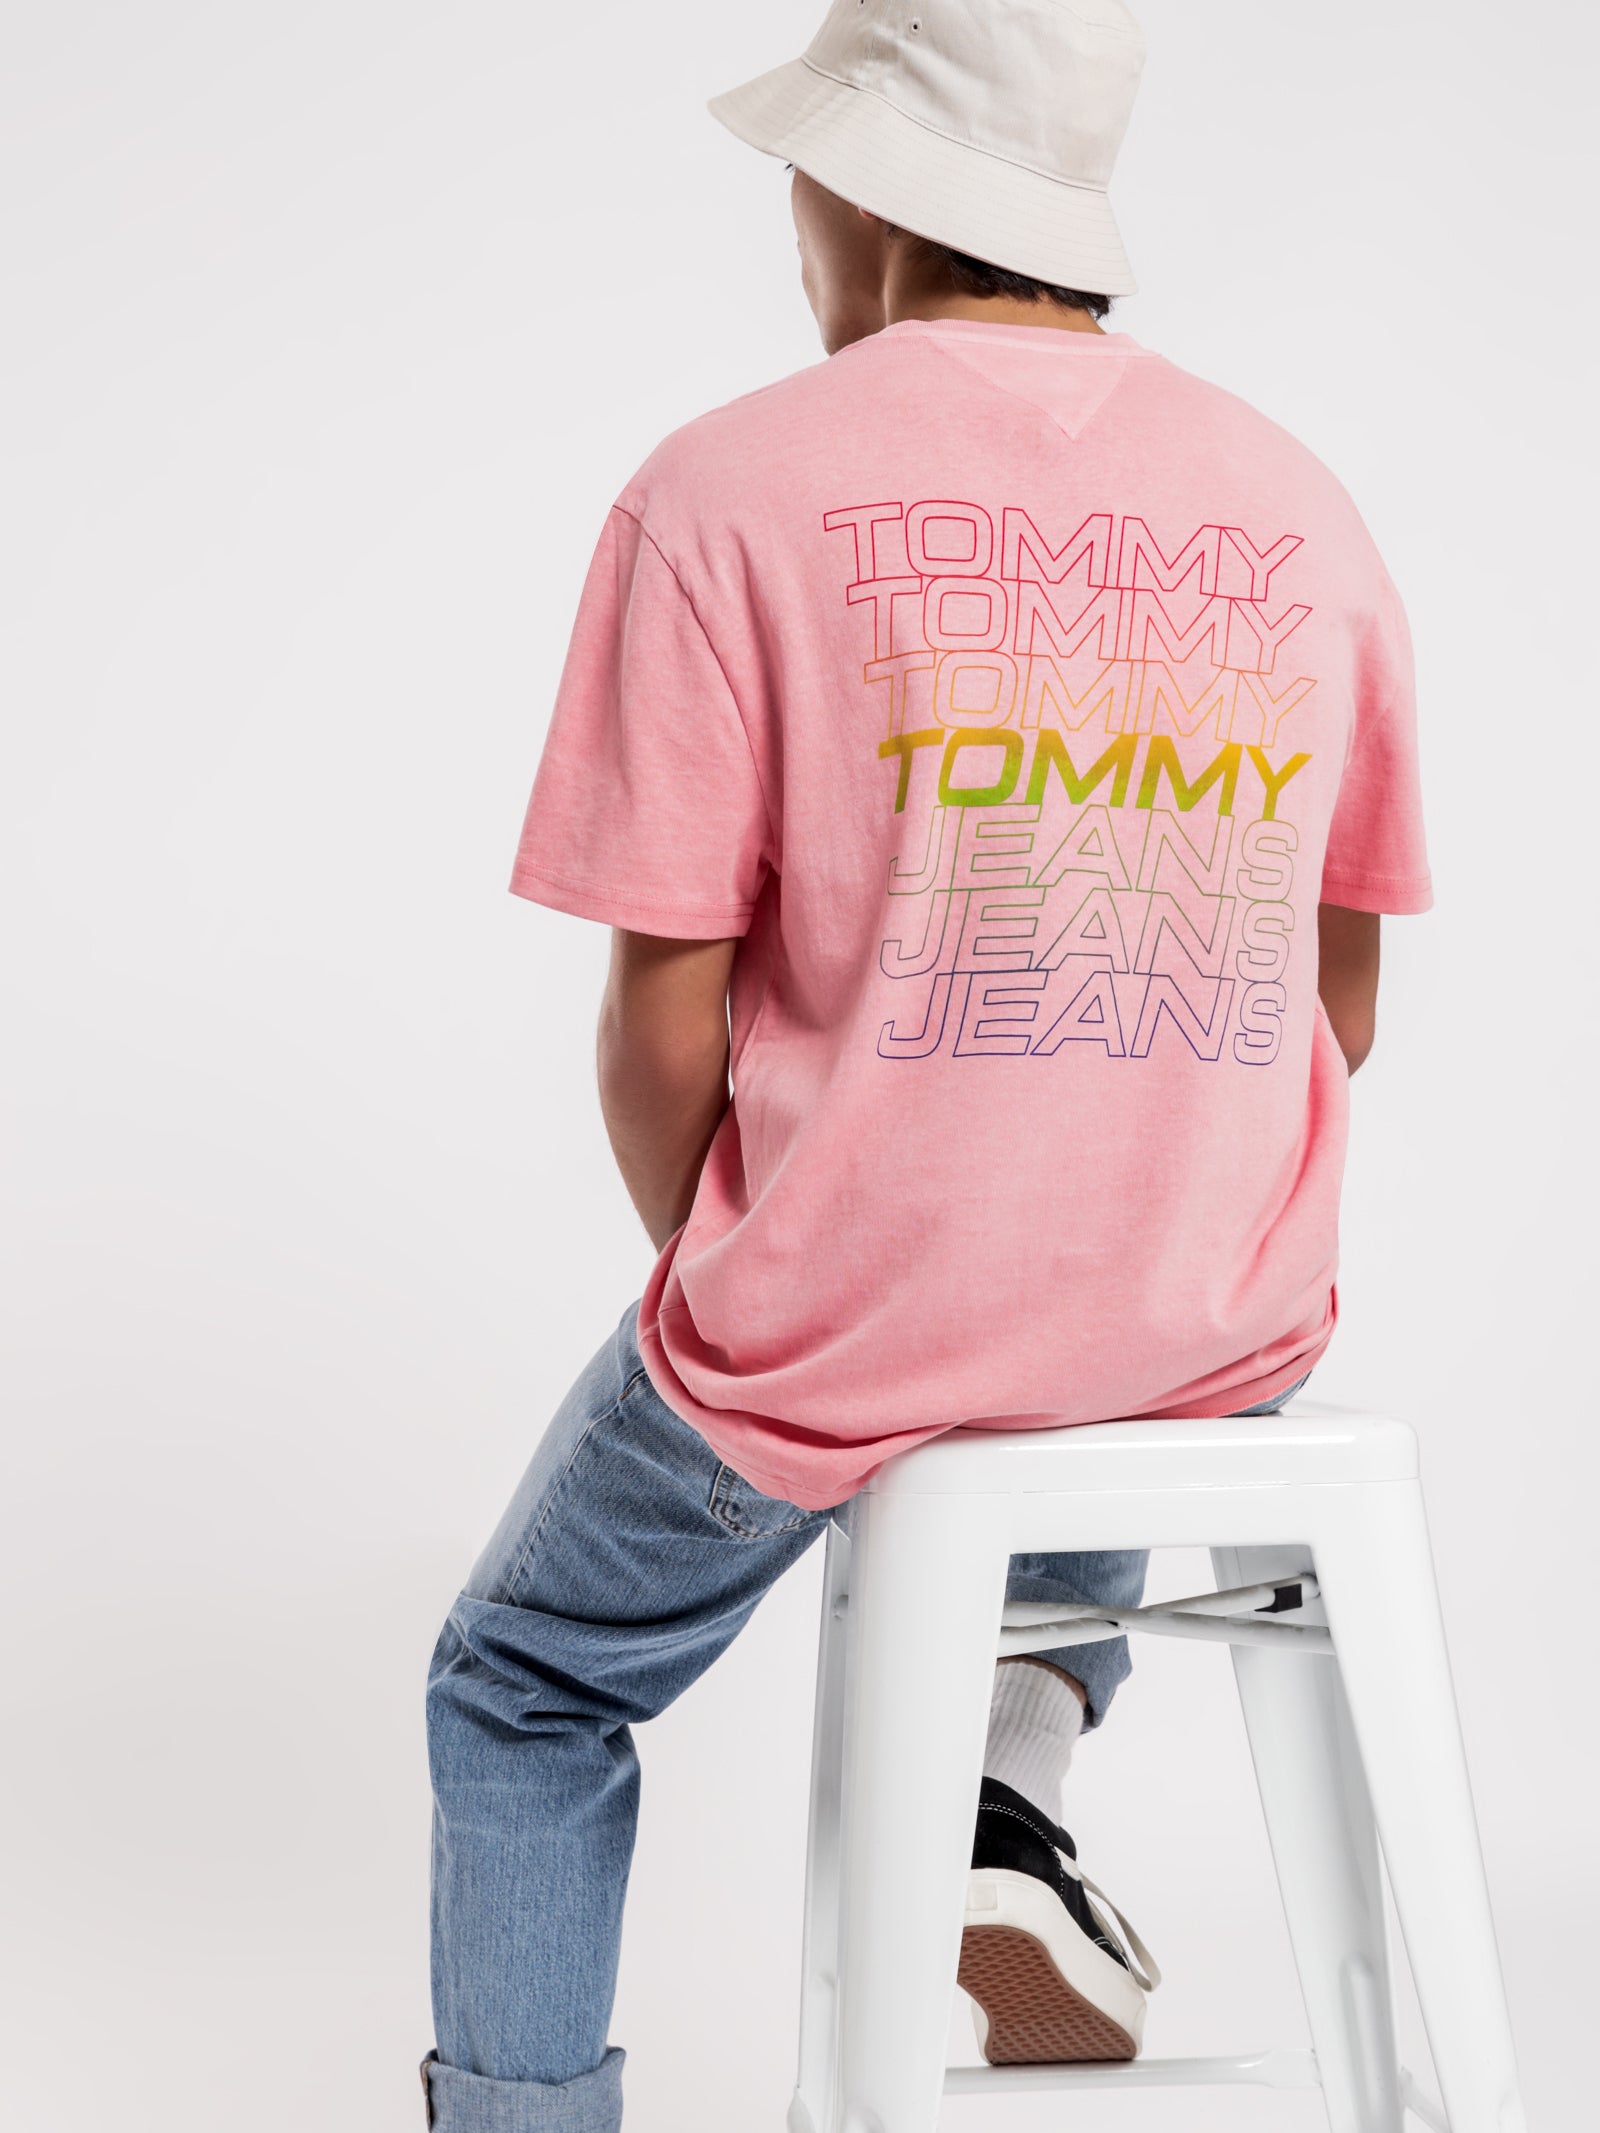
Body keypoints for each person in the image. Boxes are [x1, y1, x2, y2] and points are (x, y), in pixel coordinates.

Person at [421, 1, 1431, 2124]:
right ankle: (1010, 1786)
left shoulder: (720, 494)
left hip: (860, 1306)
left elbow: (660, 1022)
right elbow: (1331, 1002)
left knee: (521, 1685)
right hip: (1209, 1324)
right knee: (1075, 1384)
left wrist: (761, 1284)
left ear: (859, 189)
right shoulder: (1302, 508)